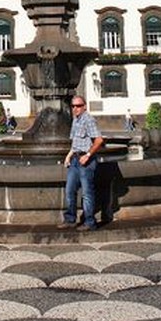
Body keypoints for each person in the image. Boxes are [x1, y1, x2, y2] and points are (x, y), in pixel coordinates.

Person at [61, 96, 104, 231]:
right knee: (69, 190)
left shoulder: (88, 120)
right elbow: (76, 142)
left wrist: (88, 155)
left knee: (87, 193)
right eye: (73, 106)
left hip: (86, 162)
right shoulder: (76, 120)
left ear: (84, 106)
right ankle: (70, 219)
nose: (75, 108)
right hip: (75, 160)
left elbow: (99, 140)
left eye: (78, 106)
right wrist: (69, 156)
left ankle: (90, 222)